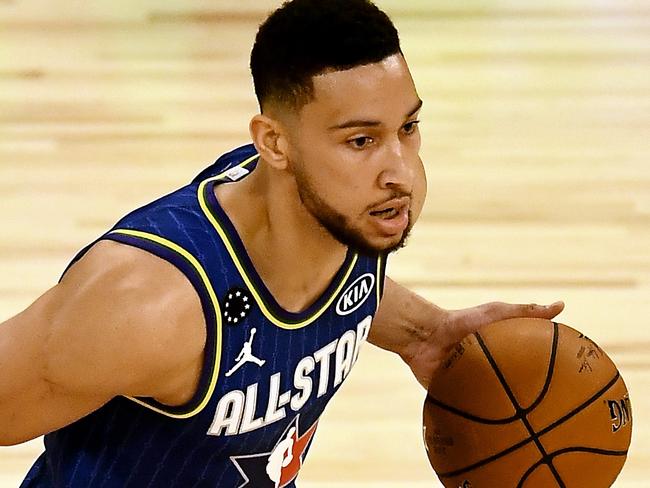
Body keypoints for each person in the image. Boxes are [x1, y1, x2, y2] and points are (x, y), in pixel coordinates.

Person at [0, 0, 564, 486]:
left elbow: (329, 280)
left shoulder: (356, 209)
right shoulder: (148, 307)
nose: (402, 171)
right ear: (275, 143)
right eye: (362, 139)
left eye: (408, 128)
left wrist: (424, 332)